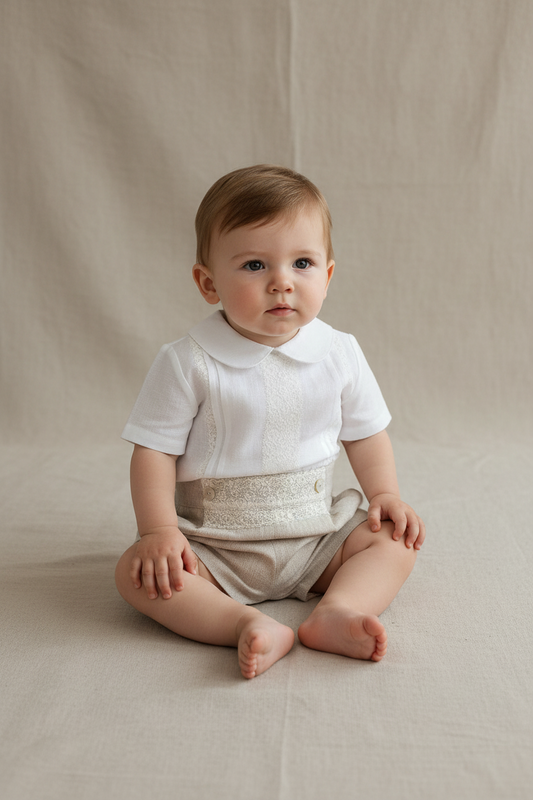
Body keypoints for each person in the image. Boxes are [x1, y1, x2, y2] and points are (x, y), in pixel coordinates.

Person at [115, 164, 425, 679]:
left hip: (315, 537)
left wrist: (385, 493)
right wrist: (158, 530)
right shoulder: (188, 362)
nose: (282, 282)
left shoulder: (339, 353)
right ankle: (242, 623)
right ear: (207, 282)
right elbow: (154, 451)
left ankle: (339, 610)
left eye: (302, 263)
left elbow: (365, 432)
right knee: (136, 574)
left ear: (326, 275)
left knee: (394, 539)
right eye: (255, 265)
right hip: (214, 544)